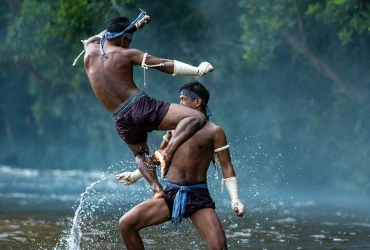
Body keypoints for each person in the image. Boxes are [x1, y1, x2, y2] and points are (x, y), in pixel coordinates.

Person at [81, 10, 214, 198]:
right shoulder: (127, 55)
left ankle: (156, 189)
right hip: (139, 106)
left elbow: (100, 36)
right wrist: (197, 71)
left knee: (140, 154)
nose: (128, 45)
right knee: (196, 117)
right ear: (122, 38)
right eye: (129, 39)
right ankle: (167, 152)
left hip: (120, 118)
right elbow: (162, 64)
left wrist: (134, 26)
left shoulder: (89, 49)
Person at [116, 81, 245, 250]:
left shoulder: (215, 131)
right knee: (126, 224)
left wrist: (235, 199)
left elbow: (226, 166)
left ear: (197, 102)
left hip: (198, 197)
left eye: (183, 100)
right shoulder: (173, 128)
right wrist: (135, 175)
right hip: (171, 194)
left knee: (219, 246)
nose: (179, 104)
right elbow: (159, 157)